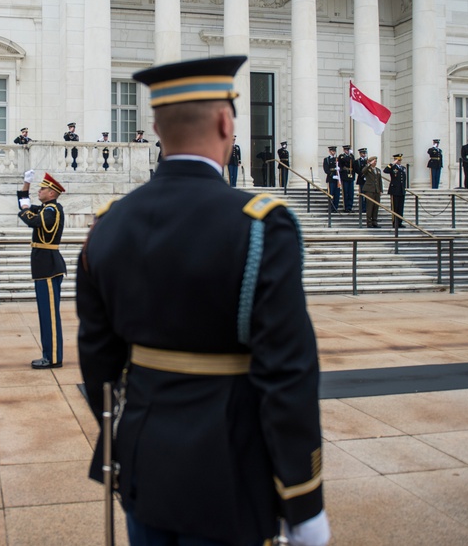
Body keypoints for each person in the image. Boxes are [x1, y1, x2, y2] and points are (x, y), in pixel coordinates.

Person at [77, 55, 329, 546]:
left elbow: (97, 365)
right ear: (224, 121)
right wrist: (303, 498)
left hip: (144, 468)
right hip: (232, 474)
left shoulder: (109, 225)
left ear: (155, 127)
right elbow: (288, 371)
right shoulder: (261, 224)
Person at [17, 170, 66, 369]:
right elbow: (24, 205)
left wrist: (27, 209)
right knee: (45, 314)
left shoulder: (51, 210)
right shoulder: (46, 208)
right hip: (43, 266)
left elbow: (34, 221)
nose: (40, 191)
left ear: (52, 193)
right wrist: (25, 185)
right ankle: (49, 353)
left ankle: (53, 357)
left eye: (43, 188)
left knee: (50, 315)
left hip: (48, 266)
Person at [384, 154, 407, 229]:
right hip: (394, 190)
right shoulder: (392, 167)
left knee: (400, 207)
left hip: (401, 190)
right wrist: (392, 163)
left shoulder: (403, 168)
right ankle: (395, 223)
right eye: (398, 160)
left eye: (400, 160)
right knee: (395, 207)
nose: (399, 161)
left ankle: (400, 222)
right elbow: (385, 170)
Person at [362, 155, 383, 228]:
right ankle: (369, 222)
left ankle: (375, 221)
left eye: (376, 161)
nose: (375, 163)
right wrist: (369, 164)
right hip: (369, 190)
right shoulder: (368, 169)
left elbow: (379, 181)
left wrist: (380, 190)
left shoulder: (378, 170)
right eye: (374, 161)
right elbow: (363, 171)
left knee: (376, 207)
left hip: (376, 190)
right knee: (370, 207)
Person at [337, 145, 354, 212]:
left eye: (348, 150)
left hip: (351, 176)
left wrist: (350, 156)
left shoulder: (351, 156)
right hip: (344, 175)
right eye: (346, 150)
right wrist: (349, 157)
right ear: (344, 150)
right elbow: (342, 162)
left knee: (351, 193)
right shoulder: (341, 156)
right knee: (345, 192)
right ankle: (346, 206)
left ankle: (350, 206)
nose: (347, 151)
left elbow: (353, 164)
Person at [323, 146, 339, 212]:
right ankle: (331, 207)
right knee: (331, 193)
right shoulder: (327, 159)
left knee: (337, 194)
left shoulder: (337, 159)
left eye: (334, 151)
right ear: (329, 151)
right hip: (331, 178)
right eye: (332, 151)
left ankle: (335, 207)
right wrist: (332, 175)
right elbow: (326, 169)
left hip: (337, 179)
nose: (333, 152)